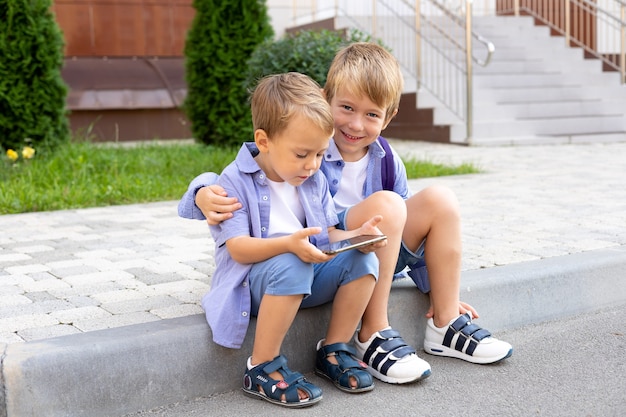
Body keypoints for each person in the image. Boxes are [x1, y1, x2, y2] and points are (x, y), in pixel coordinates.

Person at [179, 43, 513, 386]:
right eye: (347, 108)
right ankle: (374, 331)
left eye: (372, 115)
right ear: (327, 99)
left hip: (360, 250)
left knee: (440, 199)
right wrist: (202, 191)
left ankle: (444, 322)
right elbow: (252, 165)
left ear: (390, 115)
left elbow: (404, 227)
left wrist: (437, 288)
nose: (355, 124)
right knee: (389, 206)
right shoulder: (309, 145)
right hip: (313, 255)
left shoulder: (384, 159)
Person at [203, 72, 388, 408]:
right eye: (302, 154)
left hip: (303, 273)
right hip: (255, 284)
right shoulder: (234, 181)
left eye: (319, 154)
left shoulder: (312, 179)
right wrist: (288, 245)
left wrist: (356, 238)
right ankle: (261, 366)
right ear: (264, 141)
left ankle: (333, 350)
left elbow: (327, 235)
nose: (312, 165)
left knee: (364, 260)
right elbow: (238, 249)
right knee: (292, 261)